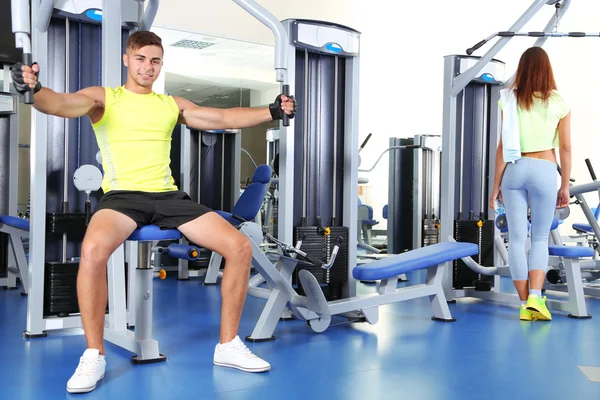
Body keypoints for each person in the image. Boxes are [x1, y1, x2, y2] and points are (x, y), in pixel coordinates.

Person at [11, 30, 296, 394]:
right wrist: (33, 91)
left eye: (156, 60)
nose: (148, 66)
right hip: (122, 197)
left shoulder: (170, 104)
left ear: (161, 65)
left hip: (168, 196)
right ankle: (94, 354)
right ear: (127, 60)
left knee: (238, 247)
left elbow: (221, 115)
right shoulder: (104, 98)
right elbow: (62, 104)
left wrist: (271, 111)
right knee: (93, 251)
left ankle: (227, 346)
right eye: (142, 58)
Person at [489, 46, 571, 322]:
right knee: (538, 238)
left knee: (515, 239)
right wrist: (565, 187)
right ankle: (536, 297)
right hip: (546, 171)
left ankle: (525, 305)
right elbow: (567, 148)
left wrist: (495, 187)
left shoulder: (509, 98)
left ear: (522, 68)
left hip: (515, 169)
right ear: (547, 69)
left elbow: (502, 147)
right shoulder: (559, 101)